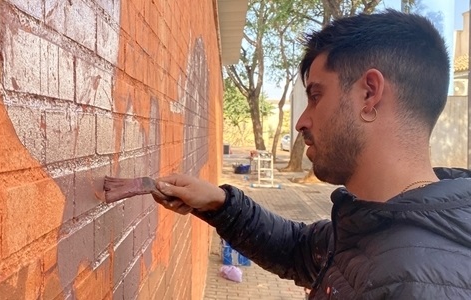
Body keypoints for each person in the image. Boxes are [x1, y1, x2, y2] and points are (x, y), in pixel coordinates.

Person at [152, 10, 471, 299]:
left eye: (316, 96)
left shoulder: (419, 283)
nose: (302, 121)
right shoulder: (374, 219)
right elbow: (299, 249)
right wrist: (219, 203)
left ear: (369, 93)